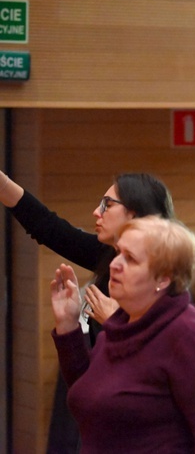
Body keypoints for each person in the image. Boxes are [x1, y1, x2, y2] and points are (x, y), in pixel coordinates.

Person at [0, 170, 174, 452]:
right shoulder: (110, 257)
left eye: (107, 204)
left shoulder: (164, 285)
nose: (97, 211)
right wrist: (68, 326)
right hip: (105, 422)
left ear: (135, 215)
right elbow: (47, 226)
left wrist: (116, 324)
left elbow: (162, 382)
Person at [50, 216, 195, 452]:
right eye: (118, 253)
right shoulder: (122, 322)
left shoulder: (186, 334)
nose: (115, 264)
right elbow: (89, 393)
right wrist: (67, 326)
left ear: (163, 278)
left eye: (131, 259)